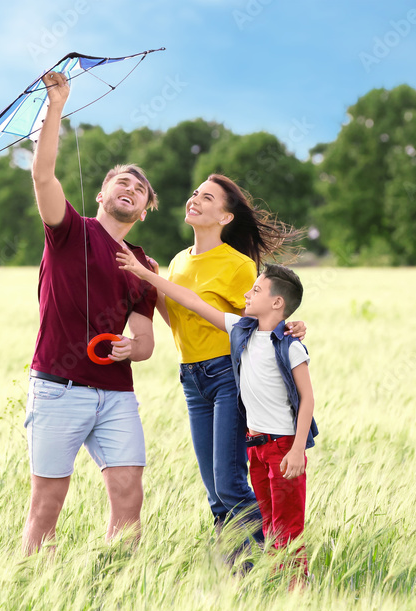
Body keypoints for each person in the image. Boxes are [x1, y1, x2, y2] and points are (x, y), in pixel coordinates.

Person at [21, 70, 159, 554]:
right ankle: (32, 586)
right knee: (47, 503)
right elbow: (42, 174)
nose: (130, 188)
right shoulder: (67, 230)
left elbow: (144, 343)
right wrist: (56, 104)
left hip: (116, 394)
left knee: (128, 495)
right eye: (121, 182)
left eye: (139, 190)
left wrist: (130, 347)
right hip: (58, 390)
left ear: (143, 210)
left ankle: (120, 588)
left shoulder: (144, 265)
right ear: (101, 195)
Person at [117, 252, 317, 567]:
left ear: (277, 303)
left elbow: (307, 399)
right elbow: (193, 301)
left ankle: (297, 594)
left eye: (256, 291)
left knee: (287, 530)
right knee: (267, 524)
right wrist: (145, 274)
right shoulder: (241, 330)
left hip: (282, 447)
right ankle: (265, 581)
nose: (246, 296)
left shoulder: (289, 345)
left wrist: (296, 450)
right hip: (256, 447)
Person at [157, 174, 304, 544]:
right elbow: (177, 318)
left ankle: (264, 562)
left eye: (207, 198)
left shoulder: (238, 265)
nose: (195, 199)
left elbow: (257, 320)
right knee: (216, 492)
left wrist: (292, 327)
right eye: (194, 193)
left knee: (231, 485)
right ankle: (235, 576)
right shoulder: (177, 262)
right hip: (191, 378)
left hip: (226, 377)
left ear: (225, 218)